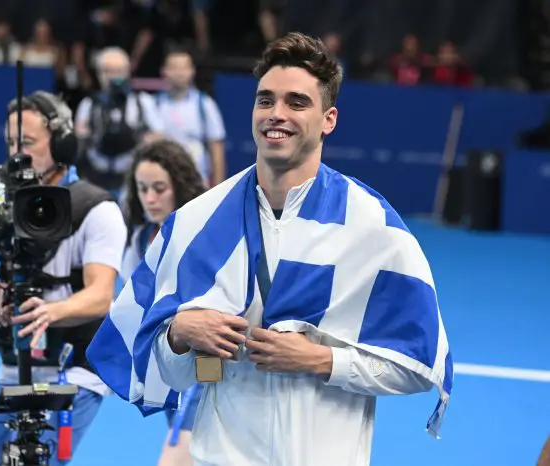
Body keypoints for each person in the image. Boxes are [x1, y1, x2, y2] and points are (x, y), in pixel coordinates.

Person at [85, 32, 454, 466]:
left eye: (297, 102)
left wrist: (320, 359)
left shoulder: (372, 226)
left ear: (329, 119)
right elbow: (173, 372)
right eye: (265, 100)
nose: (276, 114)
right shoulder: (197, 222)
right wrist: (179, 334)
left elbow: (414, 367)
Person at [0, 91, 127, 466]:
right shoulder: (1, 203)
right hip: (18, 362)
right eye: (10, 142)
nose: (16, 153)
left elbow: (101, 296)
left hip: (76, 363)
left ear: (61, 143)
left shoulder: (98, 209)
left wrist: (52, 311)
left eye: (26, 142)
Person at [119, 139, 206, 466]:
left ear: (179, 187)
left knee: (177, 455)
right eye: (142, 189)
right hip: (167, 368)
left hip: (210, 364)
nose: (150, 198)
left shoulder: (205, 236)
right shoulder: (139, 239)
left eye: (159, 188)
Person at [75, 46, 165, 193]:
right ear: (98, 74)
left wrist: (146, 140)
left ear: (127, 72)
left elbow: (160, 137)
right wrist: (82, 135)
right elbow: (78, 140)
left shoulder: (143, 102)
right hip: (95, 176)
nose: (112, 77)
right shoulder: (89, 104)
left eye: (118, 71)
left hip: (131, 177)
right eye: (107, 71)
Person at [156, 46, 227, 188]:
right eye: (174, 67)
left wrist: (219, 190)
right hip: (162, 184)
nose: (179, 72)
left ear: (192, 71)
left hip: (197, 183)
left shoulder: (205, 104)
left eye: (184, 67)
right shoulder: (153, 105)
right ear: (164, 71)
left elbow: (216, 149)